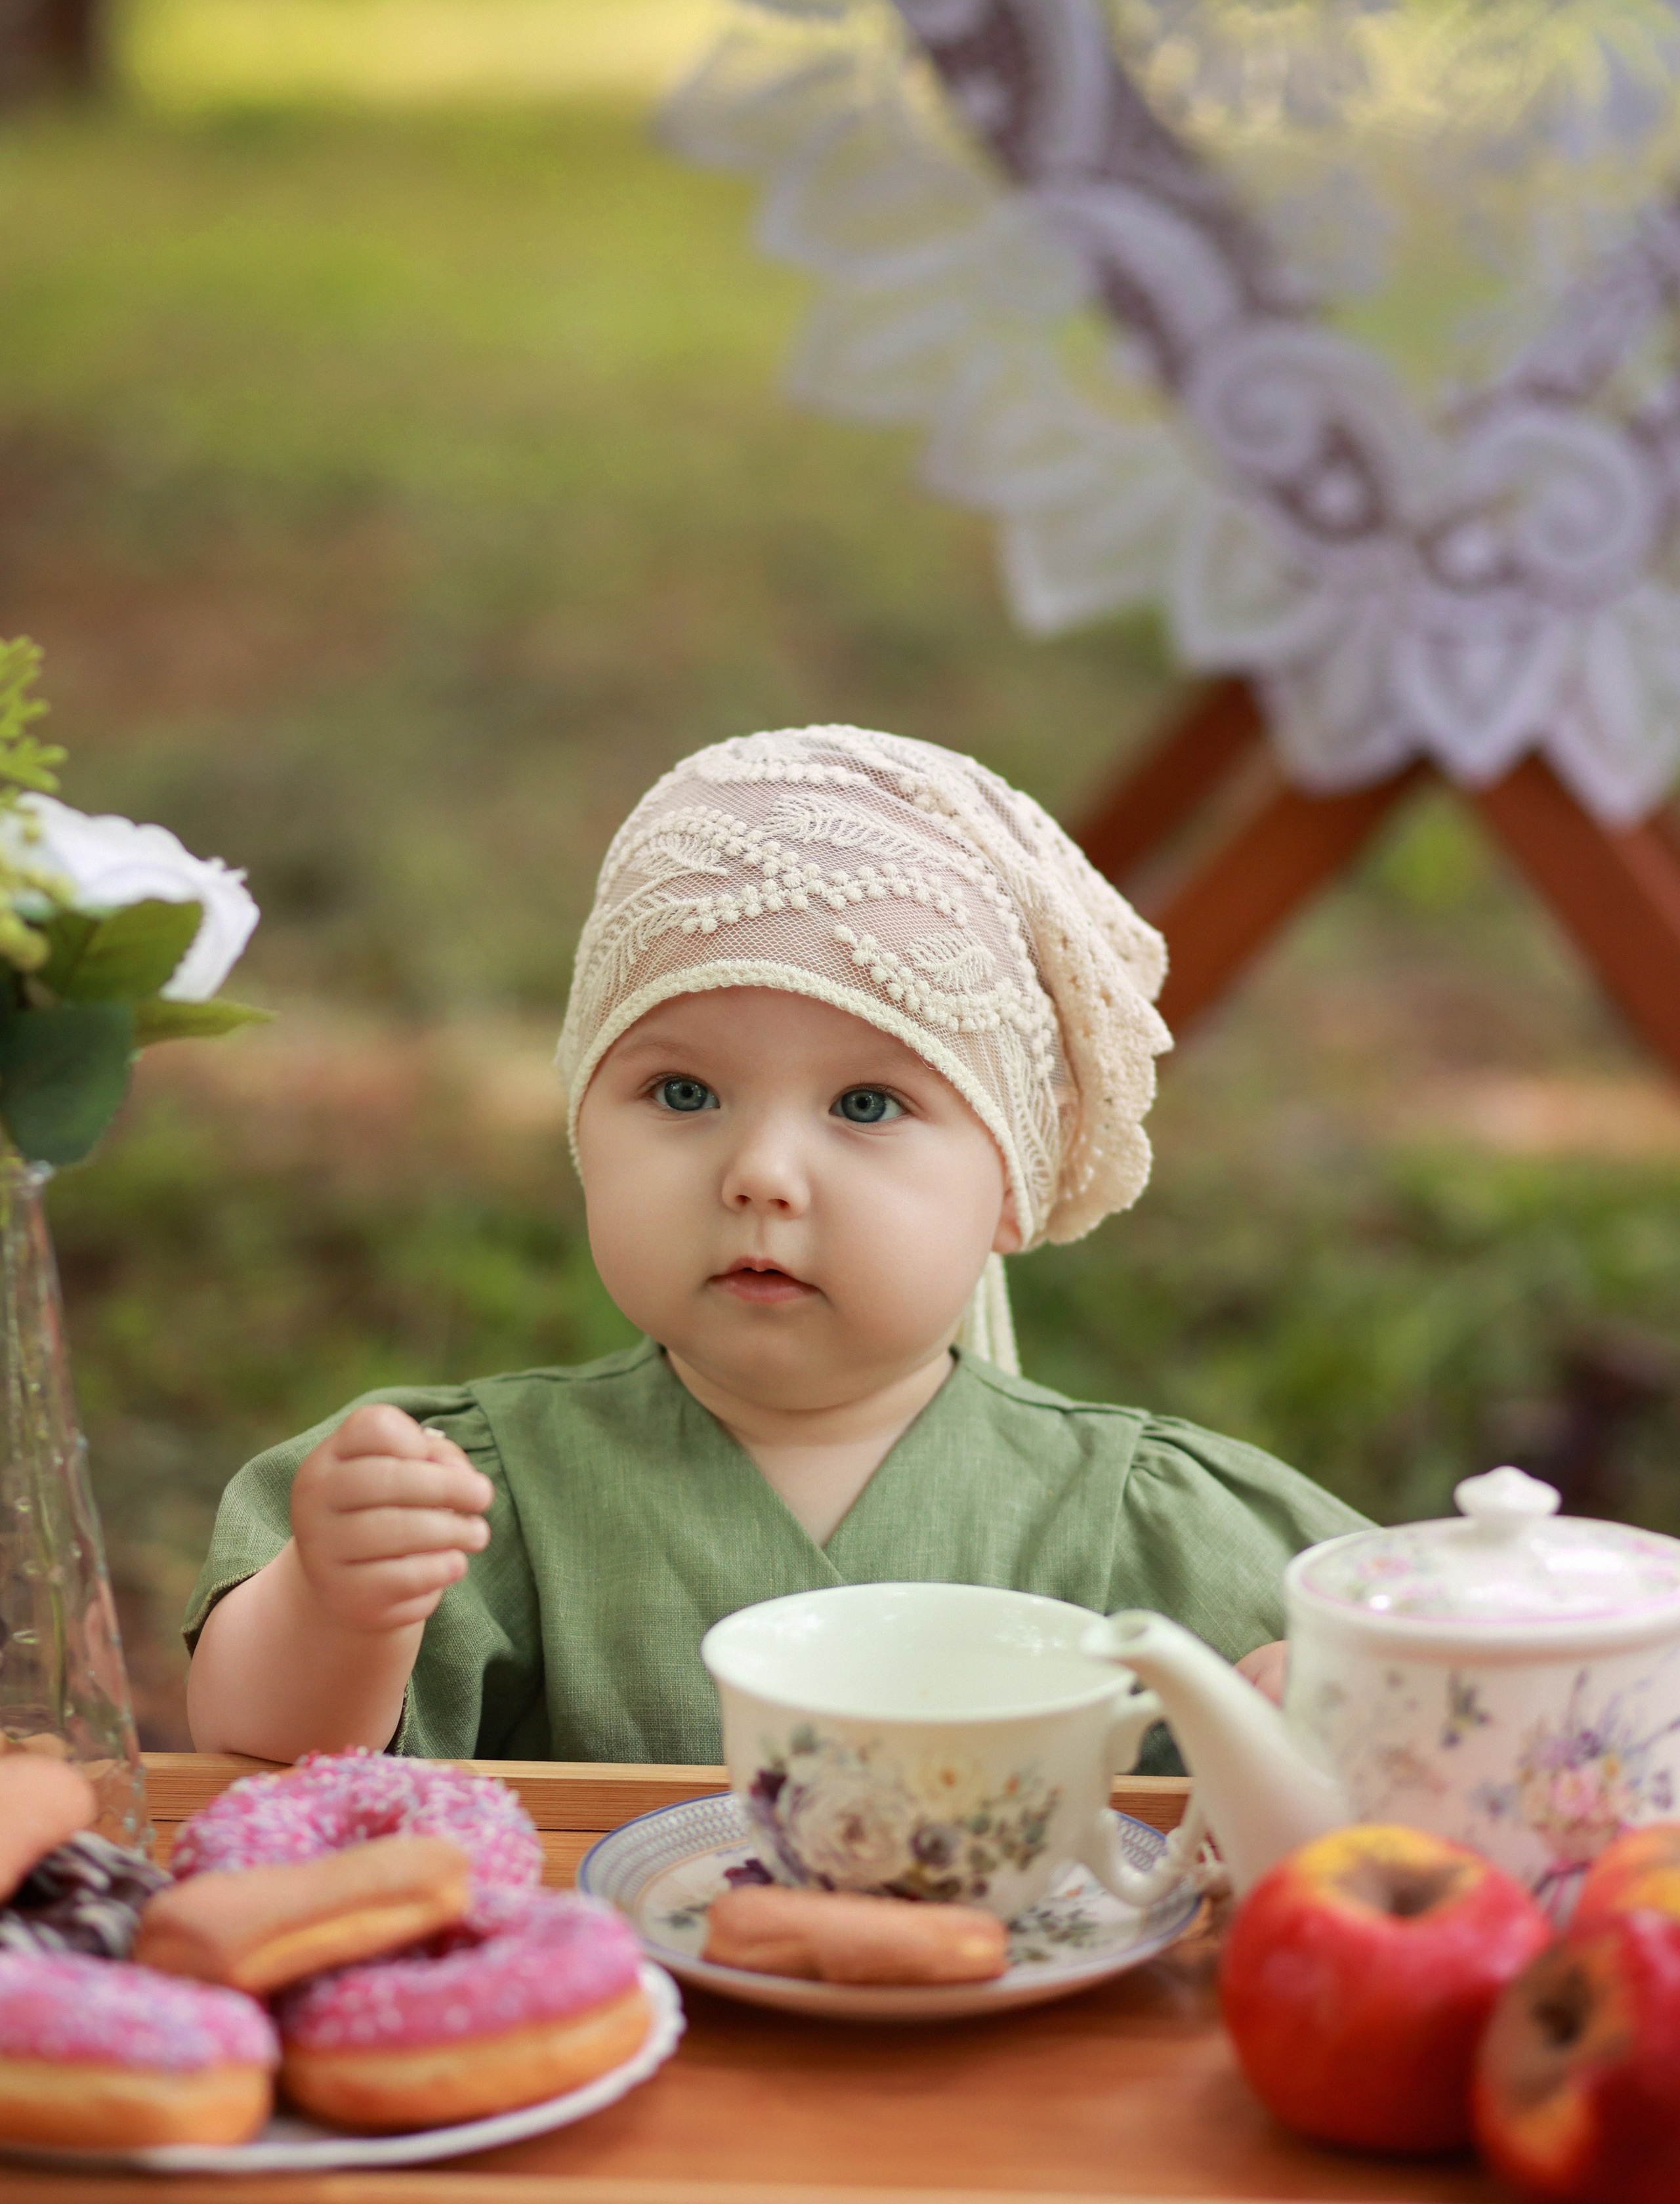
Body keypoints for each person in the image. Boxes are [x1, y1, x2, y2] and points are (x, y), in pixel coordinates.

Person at [186, 725, 1366, 1766]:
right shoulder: (490, 1494)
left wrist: (1326, 1703)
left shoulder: (1140, 1517)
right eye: (684, 1090)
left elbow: (1459, 1670)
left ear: (1017, 1178)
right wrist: (339, 1611)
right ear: (583, 1125)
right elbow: (252, 1746)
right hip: (626, 2020)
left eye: (865, 1105)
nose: (758, 1172)